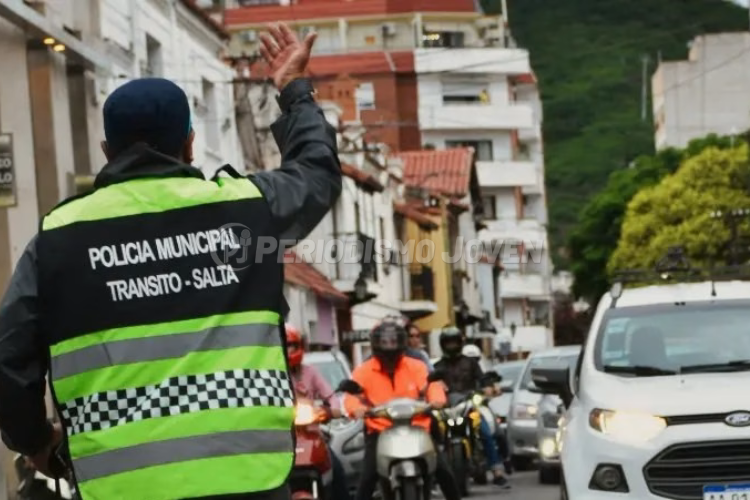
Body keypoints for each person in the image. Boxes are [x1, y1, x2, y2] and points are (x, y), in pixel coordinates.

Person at [0, 23, 338, 500]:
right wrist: (295, 92)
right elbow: (316, 175)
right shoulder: (248, 208)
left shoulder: (57, 239)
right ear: (190, 143)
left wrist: (36, 442)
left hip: (122, 489)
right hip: (249, 480)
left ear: (107, 151)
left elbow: (9, 360)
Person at [344, 318, 461, 500]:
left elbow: (431, 385)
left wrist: (437, 400)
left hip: (417, 427)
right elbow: (351, 396)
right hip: (380, 430)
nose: (389, 347)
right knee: (367, 478)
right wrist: (357, 409)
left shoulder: (416, 366)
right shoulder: (363, 371)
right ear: (376, 344)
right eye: (385, 342)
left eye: (393, 341)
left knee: (443, 471)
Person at [435, 328, 511, 489]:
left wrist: (488, 387)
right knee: (434, 436)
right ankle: (432, 477)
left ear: (460, 343)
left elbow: (483, 379)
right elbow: (428, 383)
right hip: (447, 408)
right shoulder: (438, 366)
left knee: (485, 432)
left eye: (454, 342)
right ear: (442, 345)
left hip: (469, 405)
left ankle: (497, 471)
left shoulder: (470, 363)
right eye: (448, 343)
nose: (451, 346)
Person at [285, 324, 351, 500]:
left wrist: (332, 410)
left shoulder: (310, 372)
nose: (288, 350)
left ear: (299, 346)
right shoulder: (271, 375)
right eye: (284, 346)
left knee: (336, 469)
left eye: (291, 345)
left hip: (311, 434)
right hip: (282, 438)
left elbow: (331, 396)